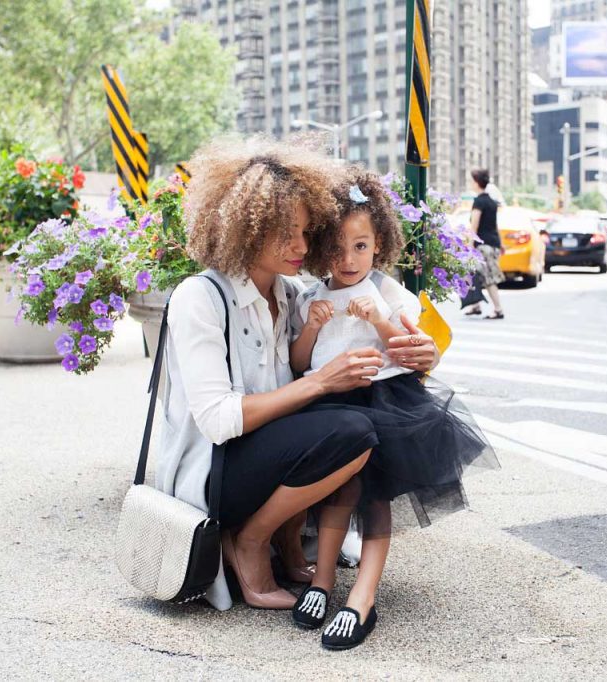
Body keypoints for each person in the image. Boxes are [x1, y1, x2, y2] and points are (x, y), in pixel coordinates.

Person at [157, 137, 441, 614]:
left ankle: (289, 545)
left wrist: (424, 352)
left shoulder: (292, 296)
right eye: (287, 233)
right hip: (213, 472)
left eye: (308, 233)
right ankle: (249, 540)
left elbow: (371, 309)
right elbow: (218, 420)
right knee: (351, 430)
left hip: (267, 460)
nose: (302, 247)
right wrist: (321, 381)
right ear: (247, 229)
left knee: (354, 426)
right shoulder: (200, 297)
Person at [288, 168, 498, 650]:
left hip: (384, 403)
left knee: (374, 496)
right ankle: (322, 582)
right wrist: (312, 329)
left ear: (378, 244)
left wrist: (380, 319)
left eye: (360, 247)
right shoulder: (312, 296)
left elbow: (410, 348)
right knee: (336, 493)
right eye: (337, 248)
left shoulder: (388, 292)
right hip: (329, 403)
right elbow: (301, 363)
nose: (348, 259)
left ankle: (363, 595)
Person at [466, 168, 505, 319]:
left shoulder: (479, 201)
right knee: (475, 274)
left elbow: (474, 226)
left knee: (488, 278)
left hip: (483, 246)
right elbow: (495, 225)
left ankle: (498, 309)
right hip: (493, 244)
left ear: (477, 183)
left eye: (472, 180)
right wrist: (500, 244)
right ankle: (476, 305)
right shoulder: (491, 202)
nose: (471, 183)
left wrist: (469, 247)